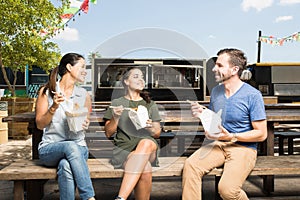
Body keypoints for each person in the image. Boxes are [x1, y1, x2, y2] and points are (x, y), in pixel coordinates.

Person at [182, 48, 267, 200]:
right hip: (219, 144)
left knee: (227, 190)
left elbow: (261, 134)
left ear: (234, 69)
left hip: (243, 148)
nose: (214, 68)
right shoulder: (216, 92)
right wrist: (203, 115)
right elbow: (215, 123)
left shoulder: (253, 95)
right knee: (191, 166)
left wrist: (232, 136)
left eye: (220, 65)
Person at [35, 53, 95, 200]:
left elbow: (85, 120)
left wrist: (84, 123)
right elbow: (39, 124)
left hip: (79, 148)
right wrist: (54, 107)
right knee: (69, 146)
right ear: (69, 67)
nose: (85, 71)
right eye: (82, 67)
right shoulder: (47, 91)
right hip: (50, 149)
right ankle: (89, 197)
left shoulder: (84, 95)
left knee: (66, 166)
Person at [103, 67, 161, 200]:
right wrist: (116, 117)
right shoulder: (117, 103)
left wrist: (149, 127)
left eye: (142, 77)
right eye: (136, 76)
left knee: (146, 142)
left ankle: (120, 198)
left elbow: (157, 133)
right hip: (124, 150)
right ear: (126, 81)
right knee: (145, 169)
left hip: (148, 148)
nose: (141, 79)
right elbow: (108, 133)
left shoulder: (150, 104)